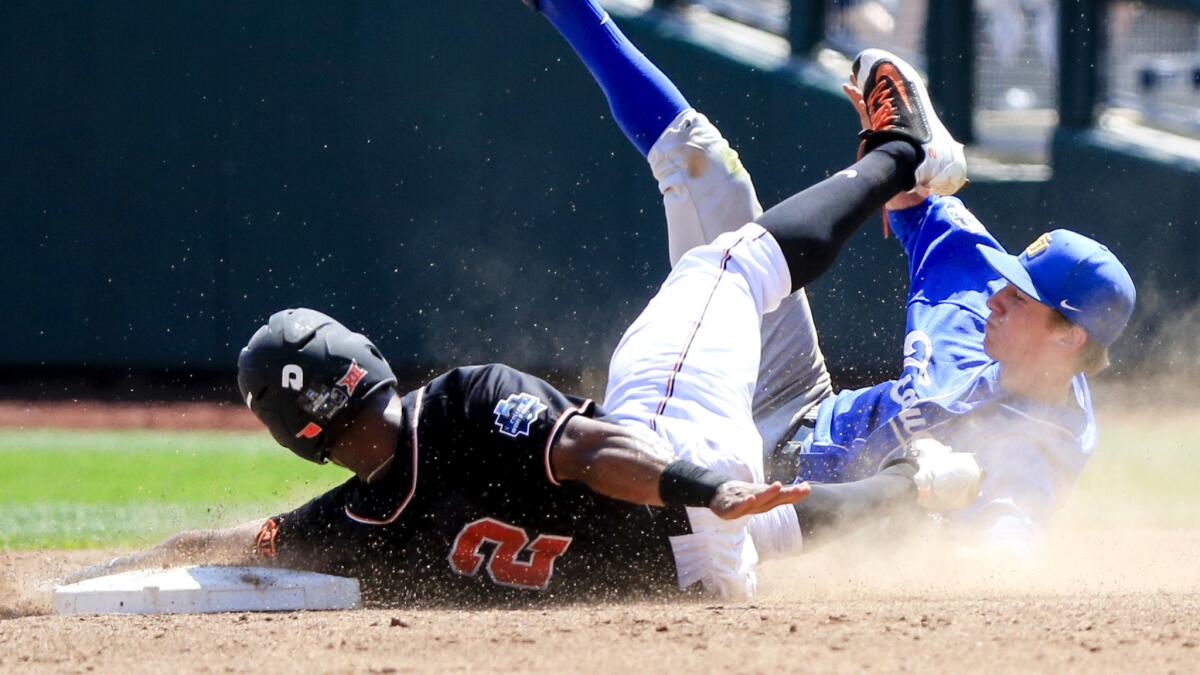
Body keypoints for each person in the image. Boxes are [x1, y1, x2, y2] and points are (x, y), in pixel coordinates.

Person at [66, 3, 986, 602]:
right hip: (685, 469)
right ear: (364, 360)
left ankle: (919, 487)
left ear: (300, 442)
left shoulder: (349, 533)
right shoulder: (460, 404)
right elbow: (591, 453)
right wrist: (703, 482)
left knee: (762, 518)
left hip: (689, 579)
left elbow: (237, 545)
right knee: (729, 266)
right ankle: (905, 149)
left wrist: (85, 582)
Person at [525, 0, 1134, 553]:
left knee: (623, 508)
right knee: (708, 166)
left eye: (1023, 297)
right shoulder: (979, 292)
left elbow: (1002, 554)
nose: (998, 296)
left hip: (775, 501)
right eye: (1007, 280)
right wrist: (896, 157)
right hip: (797, 393)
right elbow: (916, 195)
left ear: (1069, 336)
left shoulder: (1037, 449)